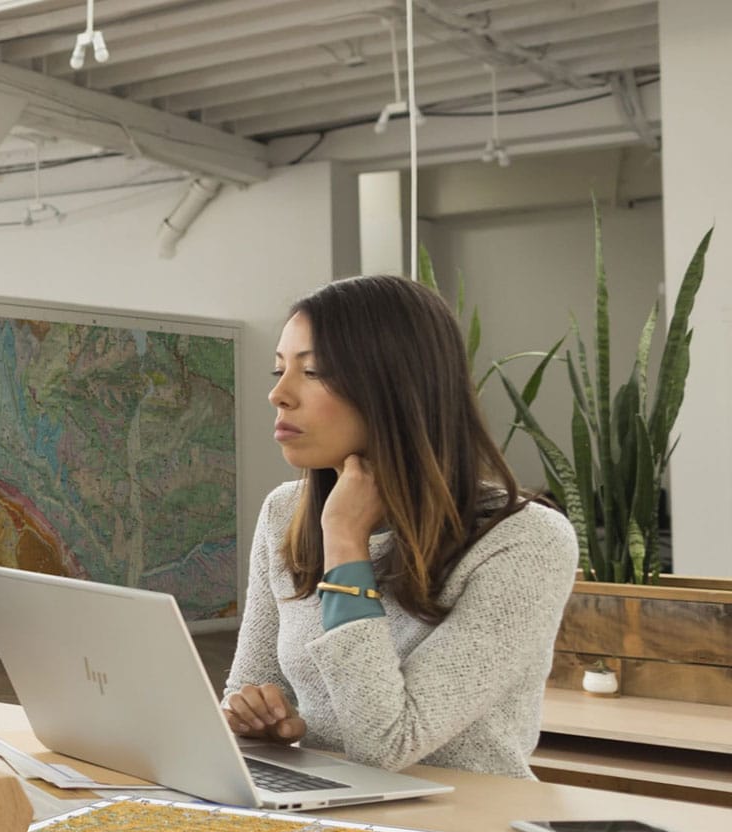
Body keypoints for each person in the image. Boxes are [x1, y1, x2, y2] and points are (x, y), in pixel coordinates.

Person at [222, 274, 577, 777]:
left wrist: (345, 543)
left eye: (314, 371)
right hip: (322, 812)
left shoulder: (525, 540)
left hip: (461, 824)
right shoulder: (286, 511)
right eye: (279, 370)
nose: (279, 394)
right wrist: (256, 717)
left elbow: (389, 744)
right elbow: (250, 687)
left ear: (394, 387)